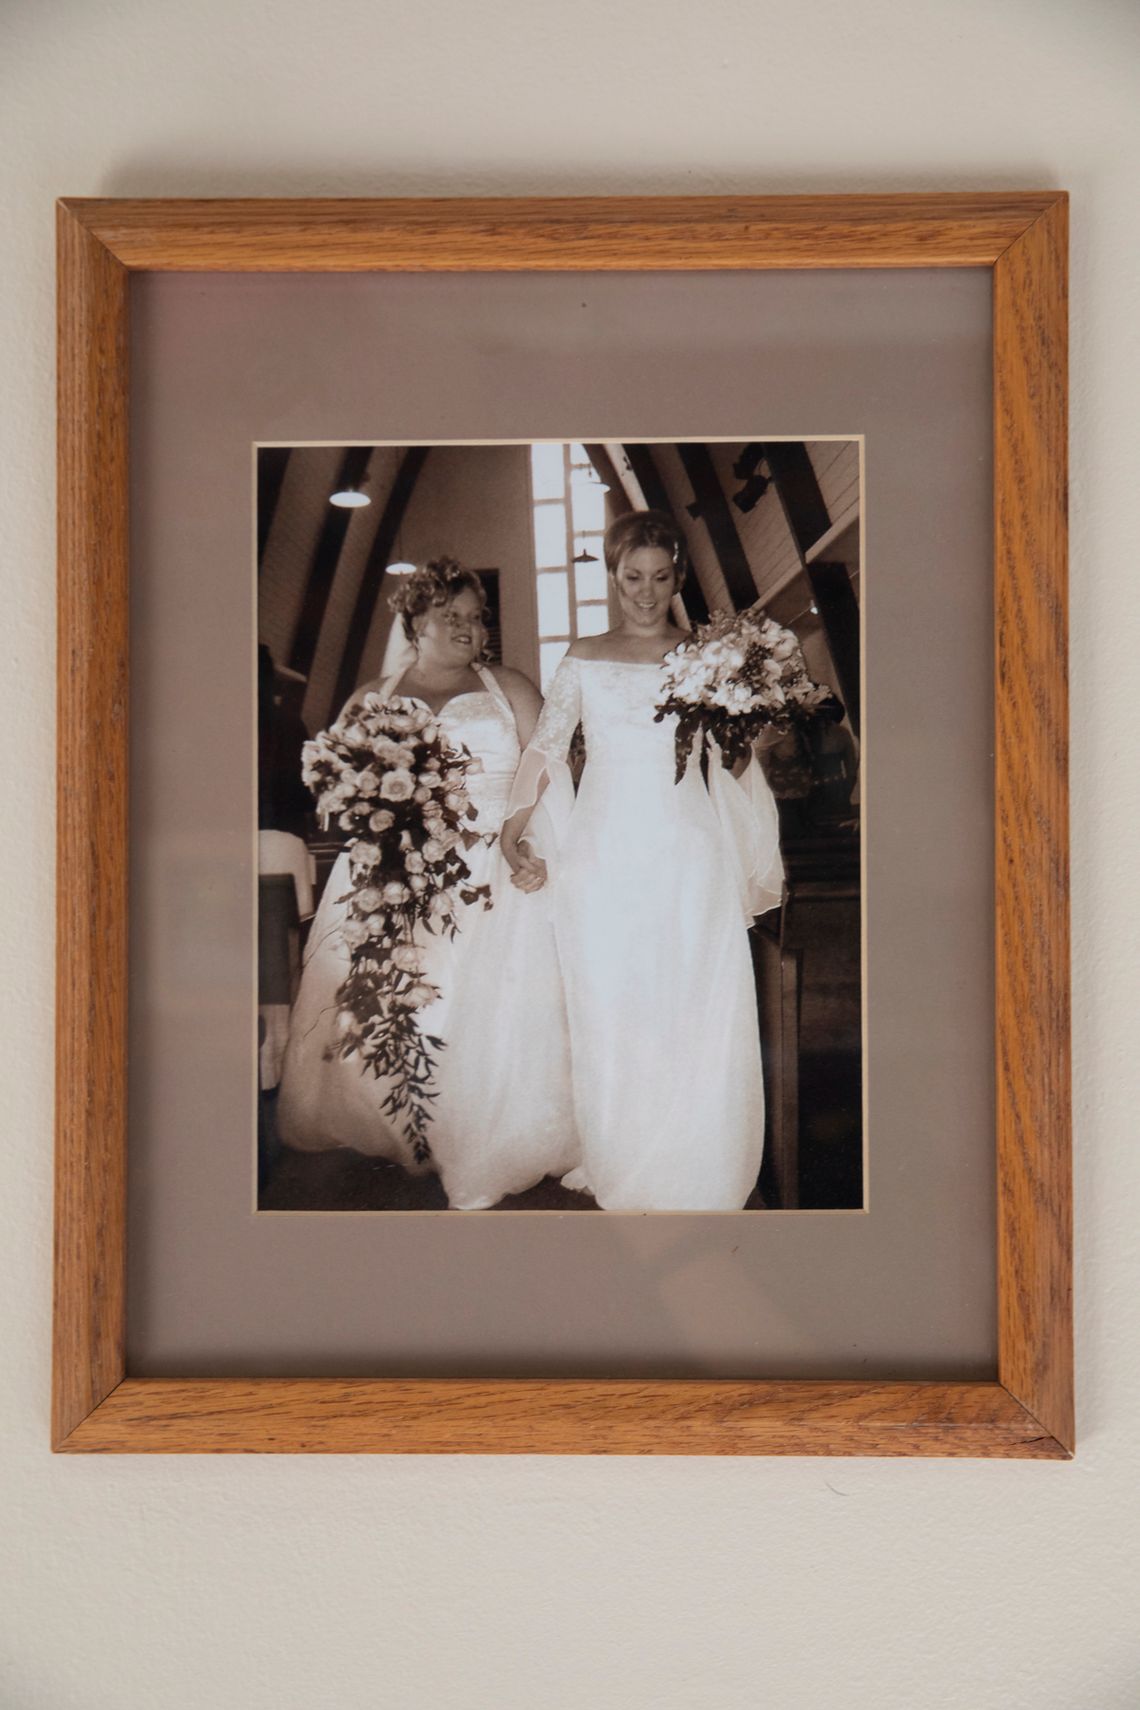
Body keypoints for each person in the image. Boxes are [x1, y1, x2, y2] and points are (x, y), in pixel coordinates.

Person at [500, 512, 783, 1211]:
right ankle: (622, 1150)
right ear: (613, 576)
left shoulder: (707, 656)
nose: (647, 592)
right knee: (612, 1002)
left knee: (689, 1001)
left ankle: (698, 1155)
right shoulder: (583, 656)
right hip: (604, 852)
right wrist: (513, 828)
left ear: (678, 578)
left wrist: (759, 734)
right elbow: (544, 748)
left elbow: (731, 757)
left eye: (660, 577)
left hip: (688, 849)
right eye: (633, 577)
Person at [276, 559, 578, 1209]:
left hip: (491, 859)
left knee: (486, 998)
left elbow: (547, 758)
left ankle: (483, 1127)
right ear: (415, 623)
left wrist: (520, 833)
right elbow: (342, 780)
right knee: (396, 993)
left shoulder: (508, 687)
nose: (472, 629)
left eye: (476, 617)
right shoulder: (372, 696)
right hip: (397, 863)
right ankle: (399, 1124)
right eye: (454, 617)